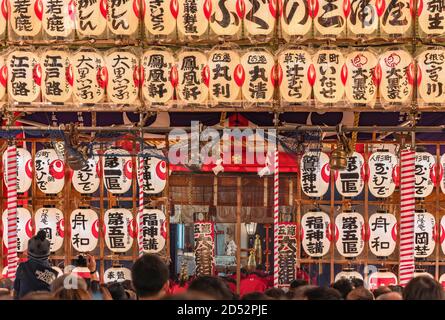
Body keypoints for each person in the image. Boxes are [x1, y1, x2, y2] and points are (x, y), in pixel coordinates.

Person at [14, 230, 58, 299]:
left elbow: (16, 290)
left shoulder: (22, 267)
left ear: (29, 251)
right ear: (48, 253)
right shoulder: (52, 274)